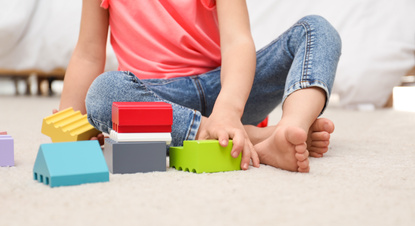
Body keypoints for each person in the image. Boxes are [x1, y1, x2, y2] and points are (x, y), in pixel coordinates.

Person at [59, 0, 341, 173]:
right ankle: (253, 136)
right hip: (159, 101)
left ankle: (290, 129)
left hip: (225, 88)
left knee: (316, 30)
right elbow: (88, 52)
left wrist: (228, 109)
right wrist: (69, 123)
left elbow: (237, 41)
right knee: (104, 92)